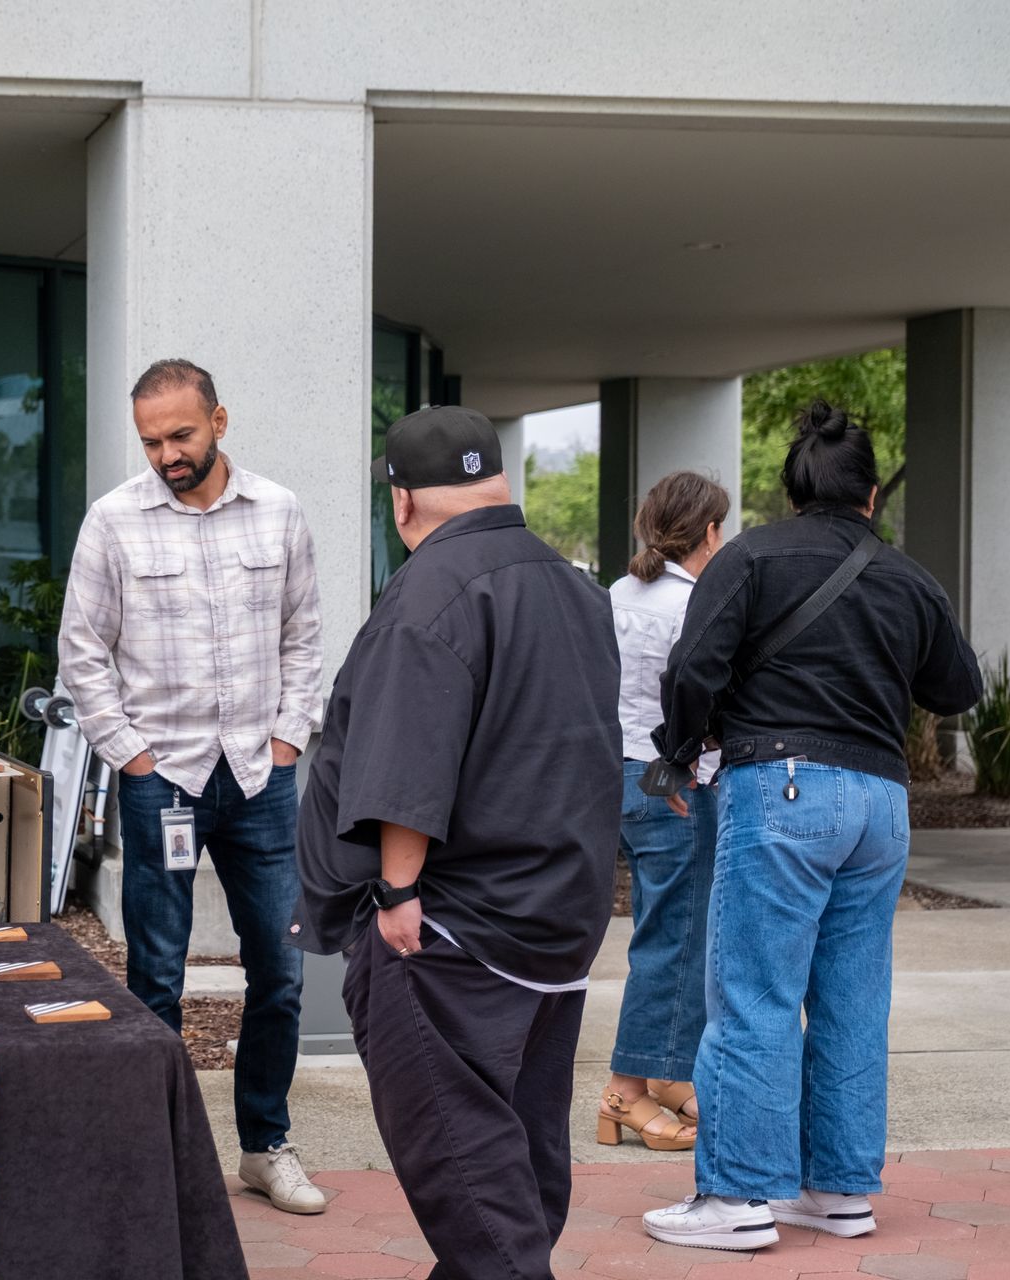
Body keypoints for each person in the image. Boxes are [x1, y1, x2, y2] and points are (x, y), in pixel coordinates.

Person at [642, 402, 982, 1250]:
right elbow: (959, 689)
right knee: (854, 1002)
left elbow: (693, 668)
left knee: (755, 993)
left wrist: (681, 754)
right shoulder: (909, 577)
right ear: (871, 495)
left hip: (784, 788)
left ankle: (737, 1200)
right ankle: (838, 1193)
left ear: (793, 492)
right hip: (883, 806)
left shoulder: (751, 556)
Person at [294, 405, 621, 1278]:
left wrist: (397, 897)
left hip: (454, 936)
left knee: (475, 1189)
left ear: (401, 503)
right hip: (558, 923)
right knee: (520, 1167)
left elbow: (408, 757)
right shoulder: (575, 586)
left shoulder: (431, 593)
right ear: (497, 483)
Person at [58, 358, 327, 1214]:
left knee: (278, 971)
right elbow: (82, 653)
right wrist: (131, 754)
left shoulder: (280, 511)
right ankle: (158, 1157)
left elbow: (306, 637)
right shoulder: (113, 522)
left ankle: (264, 1145)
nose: (166, 455)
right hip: (161, 777)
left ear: (219, 419)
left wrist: (290, 740)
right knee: (157, 976)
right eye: (151, 441)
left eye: (180, 435)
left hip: (260, 775)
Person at [597, 471, 729, 1153]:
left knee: (669, 931)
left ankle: (669, 1073)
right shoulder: (694, 604)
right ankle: (625, 1090)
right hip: (668, 776)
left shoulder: (618, 594)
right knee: (674, 939)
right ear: (708, 533)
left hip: (617, 772)